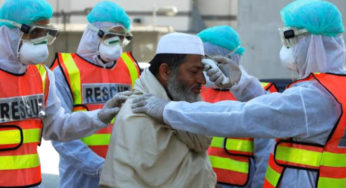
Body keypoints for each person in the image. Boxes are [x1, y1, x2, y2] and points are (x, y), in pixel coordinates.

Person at [132, 0, 346, 187]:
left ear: (312, 42)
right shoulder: (332, 89)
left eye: (290, 40)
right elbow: (277, 112)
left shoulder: (315, 98)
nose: (287, 49)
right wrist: (242, 83)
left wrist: (167, 110)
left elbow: (244, 116)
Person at [0, 0, 124, 187]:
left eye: (45, 33)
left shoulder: (43, 77)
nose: (41, 39)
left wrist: (99, 116)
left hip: (32, 183)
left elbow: (58, 126)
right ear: (7, 32)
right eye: (34, 32)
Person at [99, 32, 216, 188]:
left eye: (203, 71)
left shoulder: (180, 102)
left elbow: (200, 145)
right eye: (194, 72)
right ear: (165, 71)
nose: (202, 80)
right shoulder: (136, 114)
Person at [50, 1, 140, 188]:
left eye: (121, 36)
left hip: (124, 173)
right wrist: (98, 167)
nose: (117, 42)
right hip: (79, 177)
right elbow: (60, 134)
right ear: (93, 34)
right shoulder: (66, 72)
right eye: (111, 36)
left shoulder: (131, 68)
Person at [199, 25, 277, 188]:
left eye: (210, 61)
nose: (204, 69)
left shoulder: (257, 94)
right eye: (200, 62)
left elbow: (266, 154)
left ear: (231, 59)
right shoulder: (196, 93)